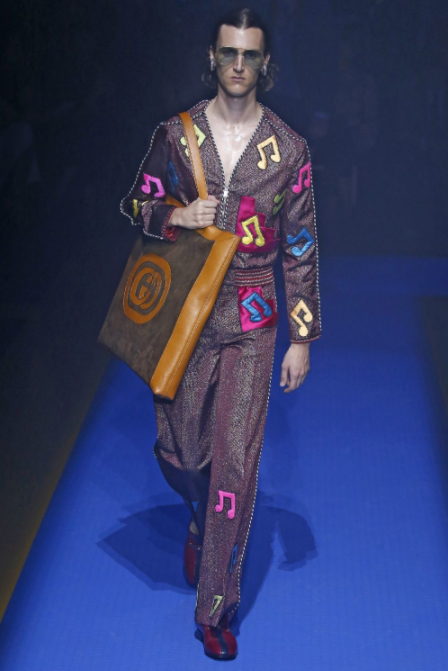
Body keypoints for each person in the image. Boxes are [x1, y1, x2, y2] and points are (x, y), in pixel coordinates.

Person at [120, 7, 322, 661]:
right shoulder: (176, 136)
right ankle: (197, 515)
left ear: (266, 63)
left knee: (235, 462)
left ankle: (215, 609)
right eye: (229, 52)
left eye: (250, 54)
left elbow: (300, 244)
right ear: (212, 58)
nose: (239, 64)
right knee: (180, 451)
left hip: (254, 318)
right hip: (186, 312)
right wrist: (177, 215)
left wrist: (301, 336)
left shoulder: (290, 149)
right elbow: (136, 202)